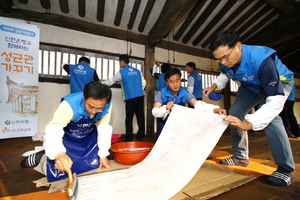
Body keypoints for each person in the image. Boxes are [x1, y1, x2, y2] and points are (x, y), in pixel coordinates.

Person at [203, 30, 295, 187]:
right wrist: (214, 86)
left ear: (238, 46)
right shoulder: (223, 60)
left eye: (226, 57)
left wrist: (250, 124)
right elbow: (225, 73)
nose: (223, 61)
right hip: (251, 86)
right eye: (219, 59)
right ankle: (240, 157)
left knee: (271, 119)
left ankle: (286, 169)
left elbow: (274, 101)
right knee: (234, 114)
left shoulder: (261, 60)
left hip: (278, 82)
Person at [20, 82, 113, 182]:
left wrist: (103, 154)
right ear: (84, 98)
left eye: (99, 108)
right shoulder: (69, 105)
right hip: (68, 137)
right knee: (60, 171)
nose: (94, 111)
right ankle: (41, 157)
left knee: (94, 164)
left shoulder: (107, 105)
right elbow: (54, 129)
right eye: (90, 106)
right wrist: (59, 154)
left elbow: (104, 129)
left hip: (87, 137)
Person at [152, 68, 226, 140]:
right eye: (171, 82)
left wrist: (214, 109)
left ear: (180, 80)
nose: (175, 84)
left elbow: (197, 104)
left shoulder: (185, 93)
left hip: (178, 125)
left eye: (177, 80)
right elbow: (155, 111)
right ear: (167, 83)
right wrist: (165, 108)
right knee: (163, 145)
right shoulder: (161, 93)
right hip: (163, 126)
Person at [102, 54, 146, 141]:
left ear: (122, 61)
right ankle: (141, 135)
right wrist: (138, 90)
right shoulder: (138, 71)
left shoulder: (121, 73)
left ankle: (129, 137)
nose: (120, 64)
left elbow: (111, 81)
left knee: (129, 117)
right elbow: (144, 83)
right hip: (140, 96)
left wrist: (101, 84)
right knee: (140, 116)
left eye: (119, 62)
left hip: (130, 97)